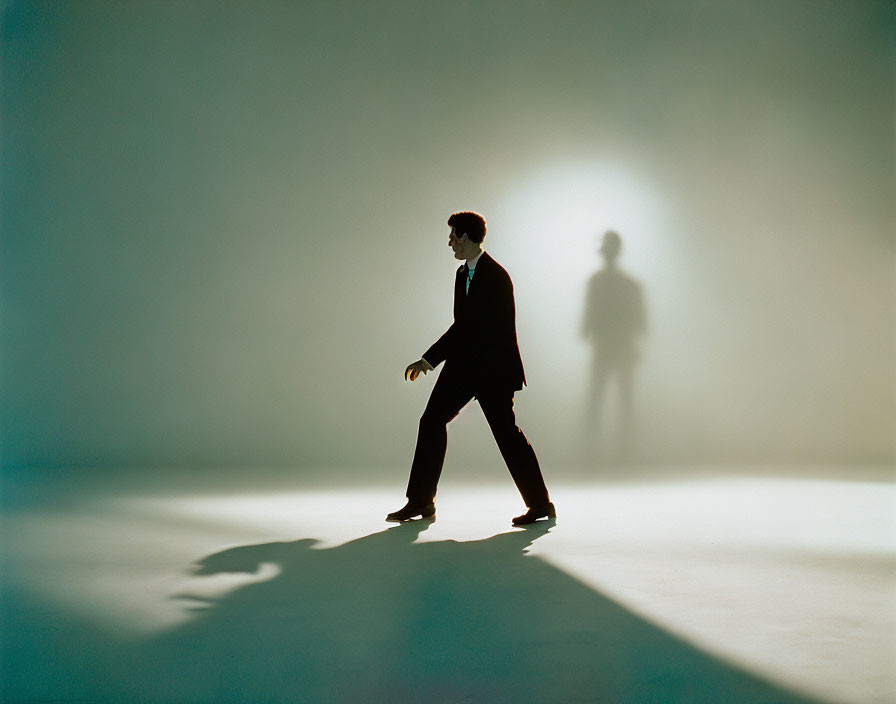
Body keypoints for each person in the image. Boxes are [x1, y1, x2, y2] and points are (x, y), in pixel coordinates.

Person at [387, 212, 555, 525]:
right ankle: (421, 501)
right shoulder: (461, 273)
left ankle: (540, 505)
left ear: (466, 238)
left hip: (493, 370)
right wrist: (430, 361)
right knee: (431, 421)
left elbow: (470, 328)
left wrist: (428, 360)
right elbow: (462, 326)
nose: (450, 243)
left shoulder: (496, 276)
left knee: (507, 435)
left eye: (453, 237)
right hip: (465, 366)